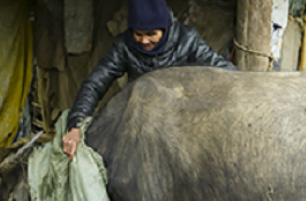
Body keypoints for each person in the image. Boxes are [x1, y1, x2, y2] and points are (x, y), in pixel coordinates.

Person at [61, 0, 236, 159]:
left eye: (151, 34)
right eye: (138, 34)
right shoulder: (124, 46)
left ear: (164, 28)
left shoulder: (187, 40)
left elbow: (222, 70)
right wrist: (76, 125)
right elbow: (95, 84)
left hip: (180, 118)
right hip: (140, 119)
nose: (144, 41)